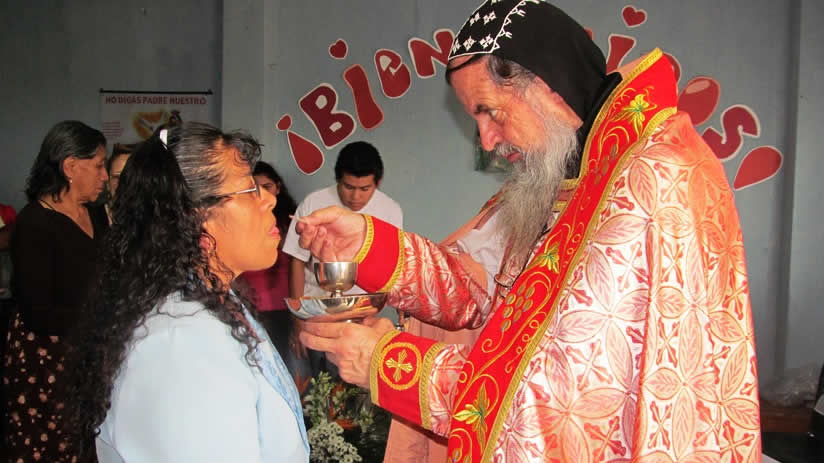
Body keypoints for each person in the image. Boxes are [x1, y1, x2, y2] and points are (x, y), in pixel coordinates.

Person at [296, 1, 762, 462]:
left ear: (545, 85)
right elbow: (488, 298)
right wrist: (369, 244)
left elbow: (568, 399)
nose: (486, 141)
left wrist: (391, 365)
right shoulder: (567, 173)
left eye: (490, 112)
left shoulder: (650, 178)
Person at [65, 123, 309, 462]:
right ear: (197, 218)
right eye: (250, 188)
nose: (269, 199)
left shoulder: (213, 300)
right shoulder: (183, 346)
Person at [3, 120, 109, 462]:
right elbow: (39, 312)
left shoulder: (96, 215)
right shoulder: (34, 224)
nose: (105, 176)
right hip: (49, 362)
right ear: (70, 167)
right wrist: (102, 322)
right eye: (98, 166)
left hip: (89, 351)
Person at [281, 141, 402, 373]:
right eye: (348, 187)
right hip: (317, 313)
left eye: (364, 189)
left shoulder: (390, 210)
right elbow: (297, 261)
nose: (355, 196)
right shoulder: (314, 203)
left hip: (362, 317)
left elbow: (391, 266)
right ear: (338, 179)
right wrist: (297, 319)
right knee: (314, 380)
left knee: (352, 382)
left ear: (377, 183)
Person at [238, 160, 298, 364]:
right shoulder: (241, 220)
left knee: (280, 362)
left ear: (278, 188)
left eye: (267, 187)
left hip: (281, 307)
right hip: (249, 305)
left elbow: (299, 267)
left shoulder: (290, 222)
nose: (262, 195)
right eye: (254, 189)